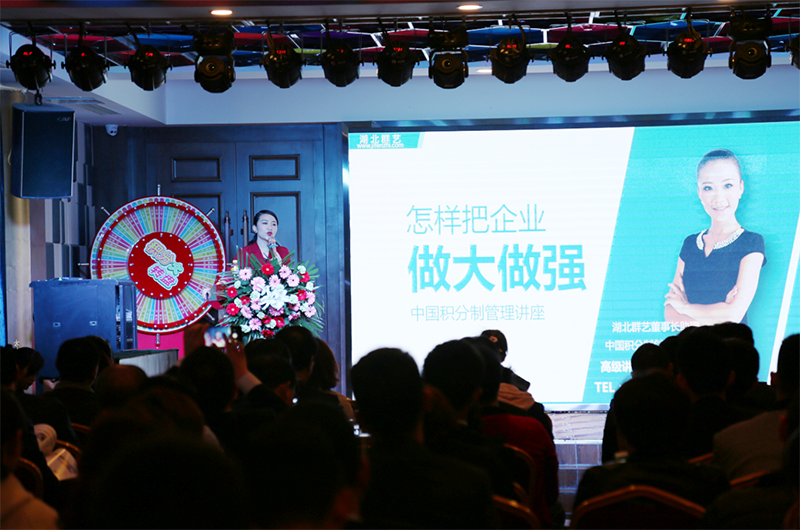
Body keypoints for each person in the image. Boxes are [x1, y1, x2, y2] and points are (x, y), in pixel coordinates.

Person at [665, 149, 766, 325]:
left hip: (732, 343)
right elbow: (670, 313)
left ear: (741, 188)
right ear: (699, 192)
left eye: (728, 185)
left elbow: (733, 316)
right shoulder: (690, 243)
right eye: (708, 188)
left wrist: (685, 307)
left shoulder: (751, 243)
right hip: (689, 343)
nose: (719, 198)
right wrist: (718, 312)